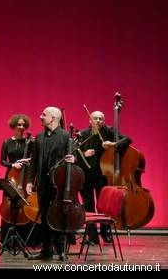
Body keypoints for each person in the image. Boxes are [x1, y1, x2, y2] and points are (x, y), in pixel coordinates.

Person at [26, 106, 78, 261]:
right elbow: (34, 161)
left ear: (54, 118)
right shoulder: (40, 136)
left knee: (60, 216)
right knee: (44, 215)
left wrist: (74, 159)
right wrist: (30, 181)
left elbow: (74, 156)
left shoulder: (65, 136)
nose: (40, 116)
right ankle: (46, 251)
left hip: (59, 183)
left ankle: (61, 250)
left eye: (44, 114)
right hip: (43, 183)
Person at [78, 110, 132, 245]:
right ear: (90, 120)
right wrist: (84, 154)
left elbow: (127, 139)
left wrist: (113, 144)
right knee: (88, 205)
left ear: (104, 121)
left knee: (102, 206)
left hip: (102, 175)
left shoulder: (109, 131)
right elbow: (75, 151)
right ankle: (92, 236)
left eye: (101, 119)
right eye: (95, 118)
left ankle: (105, 233)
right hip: (86, 175)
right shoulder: (83, 134)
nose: (98, 121)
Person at [0, 114, 41, 248]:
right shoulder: (7, 142)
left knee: (26, 204)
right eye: (19, 124)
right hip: (12, 176)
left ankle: (28, 240)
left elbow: (35, 159)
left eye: (24, 125)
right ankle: (8, 239)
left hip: (26, 175)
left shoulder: (30, 142)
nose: (21, 127)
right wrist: (12, 165)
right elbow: (2, 161)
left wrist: (28, 161)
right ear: (14, 125)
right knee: (10, 205)